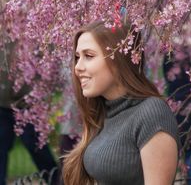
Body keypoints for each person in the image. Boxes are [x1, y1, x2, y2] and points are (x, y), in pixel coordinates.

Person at [63, 20, 180, 185]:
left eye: (88, 56)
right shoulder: (104, 113)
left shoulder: (151, 113)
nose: (78, 67)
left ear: (118, 60)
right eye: (77, 57)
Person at [0, 42, 58, 185]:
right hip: (2, 104)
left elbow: (49, 63)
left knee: (38, 149)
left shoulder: (34, 32)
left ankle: (57, 181)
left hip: (29, 105)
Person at [163, 46, 191, 185]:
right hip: (188, 111)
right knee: (189, 158)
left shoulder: (171, 52)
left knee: (184, 156)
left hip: (181, 112)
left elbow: (167, 76)